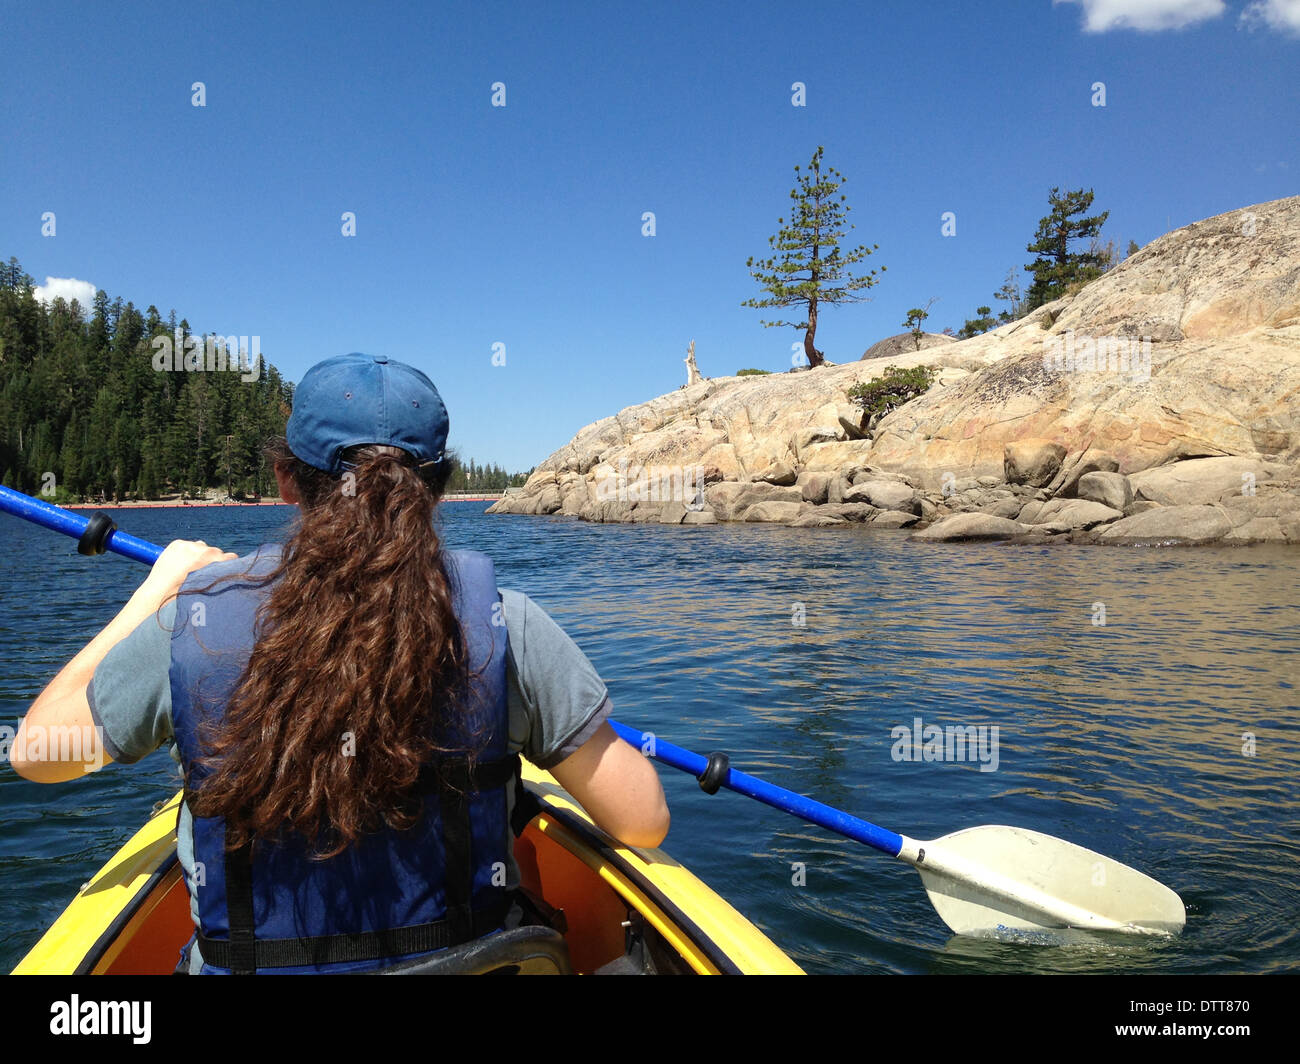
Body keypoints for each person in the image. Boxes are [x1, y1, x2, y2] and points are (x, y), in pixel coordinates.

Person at [10, 352, 669, 974]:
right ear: (436, 488)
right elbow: (642, 821)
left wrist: (158, 594)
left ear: (285, 478)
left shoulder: (192, 624)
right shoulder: (508, 622)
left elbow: (37, 753)